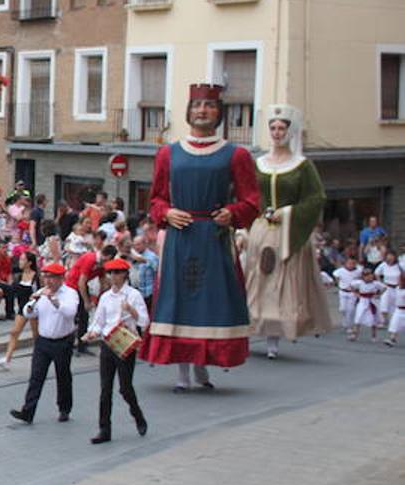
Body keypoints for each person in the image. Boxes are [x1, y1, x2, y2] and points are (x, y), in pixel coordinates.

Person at [139, 81, 260, 391]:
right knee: (179, 301)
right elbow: (156, 198)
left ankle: (203, 367)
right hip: (181, 236)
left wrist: (232, 213)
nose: (202, 110)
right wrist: (166, 213)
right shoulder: (169, 153)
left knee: (211, 301)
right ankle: (182, 372)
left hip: (214, 236)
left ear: (218, 113)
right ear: (189, 112)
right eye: (197, 106)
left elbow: (251, 200)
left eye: (208, 106)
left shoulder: (236, 155)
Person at [244, 105, 334, 359]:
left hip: (288, 234)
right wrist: (244, 228)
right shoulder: (259, 163)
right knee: (256, 283)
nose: (276, 132)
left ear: (289, 131)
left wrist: (285, 212)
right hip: (261, 232)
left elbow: (316, 199)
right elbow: (250, 195)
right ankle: (252, 327)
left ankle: (274, 336)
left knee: (279, 287)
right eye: (272, 127)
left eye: (281, 128)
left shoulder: (302, 166)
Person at [84, 259, 150, 444]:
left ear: (124, 274)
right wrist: (91, 333)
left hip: (124, 343)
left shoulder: (134, 295)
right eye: (110, 273)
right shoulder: (105, 297)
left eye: (117, 272)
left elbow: (144, 322)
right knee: (105, 389)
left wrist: (131, 311)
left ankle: (137, 415)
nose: (113, 276)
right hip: (108, 342)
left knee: (125, 388)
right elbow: (99, 320)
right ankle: (104, 429)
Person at [10, 262, 79, 425]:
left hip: (63, 341)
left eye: (52, 278)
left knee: (63, 376)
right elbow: (29, 313)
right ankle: (28, 411)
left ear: (61, 278)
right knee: (36, 376)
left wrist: (53, 300)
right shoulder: (41, 293)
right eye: (46, 277)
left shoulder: (70, 294)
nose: (48, 281)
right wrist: (32, 302)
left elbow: (70, 313)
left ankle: (64, 409)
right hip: (43, 341)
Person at [332, 255, 364, 332]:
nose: (351, 265)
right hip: (343, 291)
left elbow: (361, 278)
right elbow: (335, 276)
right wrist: (338, 283)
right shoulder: (340, 271)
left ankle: (349, 326)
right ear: (345, 263)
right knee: (343, 309)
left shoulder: (358, 271)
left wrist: (358, 289)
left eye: (353, 263)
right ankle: (345, 321)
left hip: (352, 292)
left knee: (350, 309)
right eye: (349, 263)